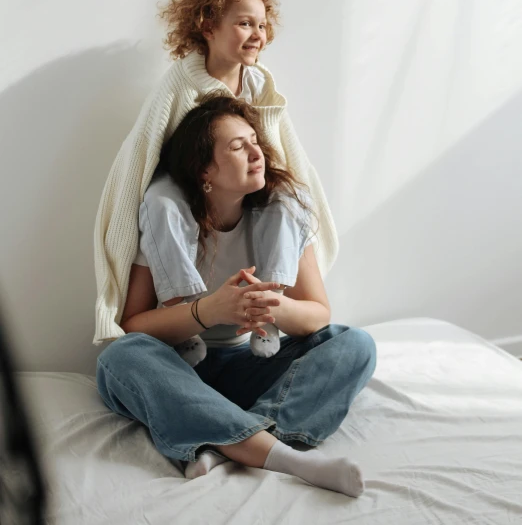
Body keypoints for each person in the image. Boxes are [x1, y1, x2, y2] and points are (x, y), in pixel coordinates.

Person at [96, 96, 377, 498]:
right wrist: (207, 311)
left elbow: (317, 315)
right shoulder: (166, 218)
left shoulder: (283, 212)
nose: (255, 152)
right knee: (119, 359)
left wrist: (271, 305)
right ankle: (288, 458)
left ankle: (226, 445)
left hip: (249, 365)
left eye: (254, 141)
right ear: (204, 170)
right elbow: (133, 325)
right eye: (236, 146)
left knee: (355, 344)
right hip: (181, 370)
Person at [93, 0, 338, 357]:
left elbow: (281, 144)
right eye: (244, 23)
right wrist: (128, 215)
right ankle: (185, 315)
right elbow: (143, 149)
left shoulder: (258, 82)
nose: (257, 33)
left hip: (236, 175)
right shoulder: (182, 83)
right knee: (161, 201)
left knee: (289, 199)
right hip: (188, 176)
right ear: (207, 26)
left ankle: (265, 308)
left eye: (261, 24)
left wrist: (293, 191)